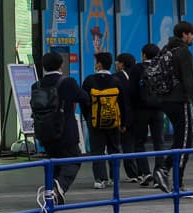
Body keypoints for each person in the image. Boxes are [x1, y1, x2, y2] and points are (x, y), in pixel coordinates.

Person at [153, 21, 193, 193]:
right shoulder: (183, 52)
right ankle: (172, 177)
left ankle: (169, 174)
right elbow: (189, 81)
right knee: (185, 143)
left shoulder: (166, 50)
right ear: (184, 34)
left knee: (178, 140)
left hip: (165, 100)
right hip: (179, 101)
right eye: (191, 34)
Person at [36, 51, 89, 204]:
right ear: (61, 65)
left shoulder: (37, 85)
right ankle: (59, 186)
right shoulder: (67, 82)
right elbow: (84, 98)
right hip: (65, 131)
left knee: (53, 161)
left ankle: (51, 192)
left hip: (44, 131)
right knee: (74, 159)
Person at [80, 52, 127, 189]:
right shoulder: (116, 81)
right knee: (114, 149)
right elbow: (123, 103)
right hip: (113, 121)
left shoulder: (89, 81)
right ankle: (114, 178)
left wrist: (88, 116)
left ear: (99, 64)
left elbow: (84, 102)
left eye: (96, 62)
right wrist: (123, 122)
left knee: (97, 150)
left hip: (95, 121)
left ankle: (100, 179)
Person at [131, 43, 166, 187]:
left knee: (139, 142)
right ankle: (159, 173)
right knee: (159, 142)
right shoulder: (162, 67)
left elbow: (131, 90)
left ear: (144, 55)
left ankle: (145, 173)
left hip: (141, 110)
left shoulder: (137, 68)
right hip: (158, 109)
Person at [113, 53, 140, 183]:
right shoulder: (138, 74)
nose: (116, 64)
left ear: (122, 64)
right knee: (138, 144)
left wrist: (122, 121)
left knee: (127, 145)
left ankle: (133, 173)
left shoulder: (117, 78)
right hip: (140, 115)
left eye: (117, 62)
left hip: (125, 116)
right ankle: (143, 172)